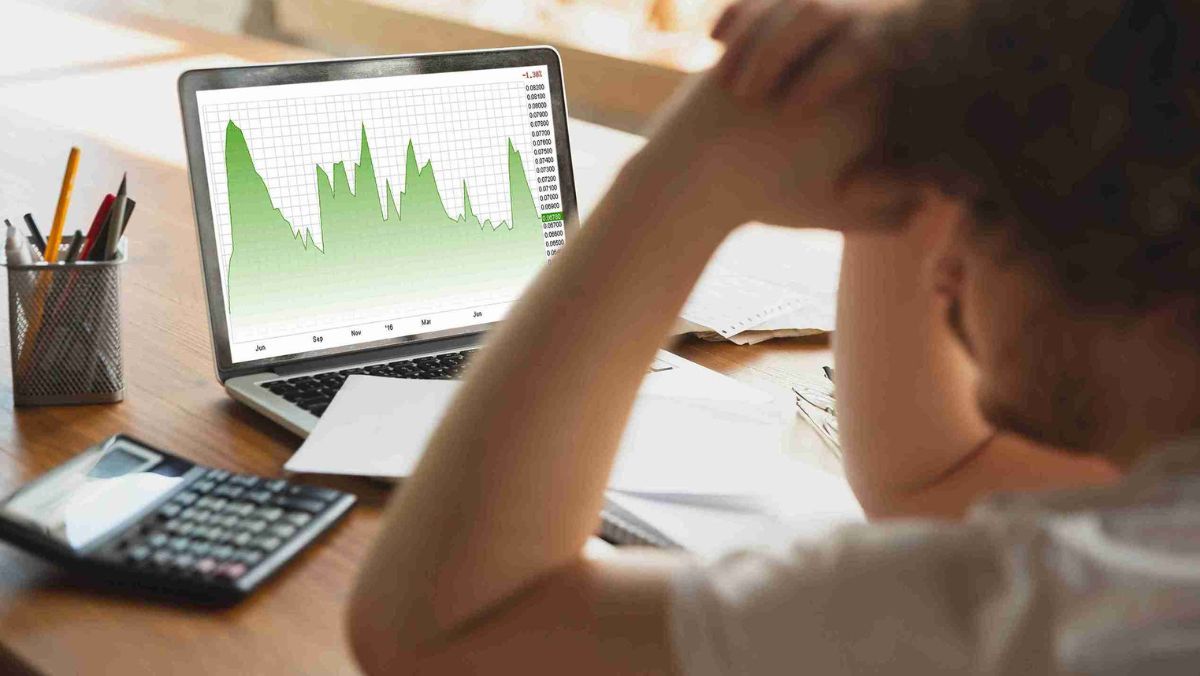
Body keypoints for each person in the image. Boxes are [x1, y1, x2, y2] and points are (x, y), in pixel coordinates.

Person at [347, 0, 1200, 672]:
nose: (941, 263)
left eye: (982, 205)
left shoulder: (1081, 611)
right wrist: (944, 71)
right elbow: (935, 479)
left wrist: (685, 178)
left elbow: (452, 627)